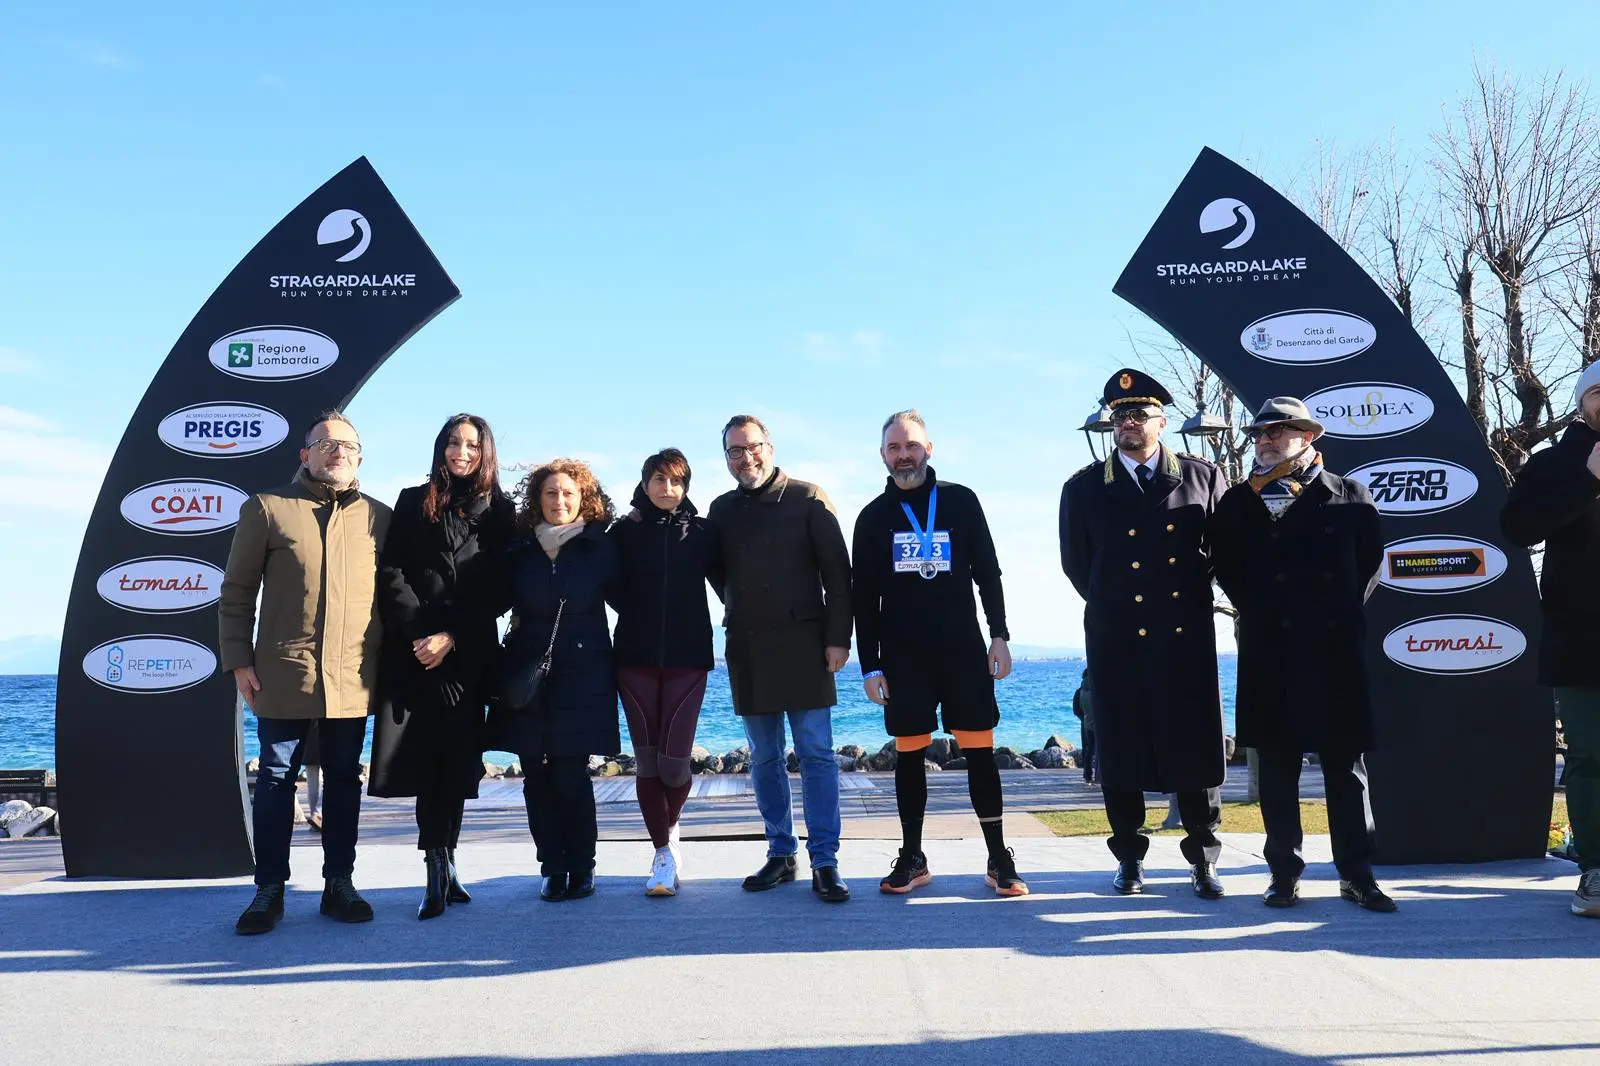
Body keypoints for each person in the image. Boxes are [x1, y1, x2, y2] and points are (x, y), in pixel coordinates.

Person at [1211, 397, 1395, 912]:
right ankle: (1283, 874)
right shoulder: (1238, 502)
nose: (1265, 440)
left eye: (1278, 431)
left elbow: (1370, 564)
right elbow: (1228, 570)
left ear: (1308, 437)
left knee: (1346, 769)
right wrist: (1265, 613)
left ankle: (1357, 874)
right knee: (1277, 769)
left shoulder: (1350, 495)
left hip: (1335, 649)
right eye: (1260, 433)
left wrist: (1334, 613)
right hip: (1271, 650)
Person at [1058, 369, 1228, 899]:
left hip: (1185, 639)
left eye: (1139, 413)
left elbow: (1224, 554)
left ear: (1162, 420)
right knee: (1122, 750)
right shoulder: (1084, 487)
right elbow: (1077, 565)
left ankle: (1204, 858)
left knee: (1194, 750)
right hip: (1117, 638)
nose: (1128, 423)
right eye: (1119, 415)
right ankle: (1129, 858)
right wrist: (1116, 608)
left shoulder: (1204, 477)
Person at [220, 410, 391, 935]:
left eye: (347, 445)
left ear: (360, 458)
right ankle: (268, 890)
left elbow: (397, 595)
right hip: (283, 672)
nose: (336, 451)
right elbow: (237, 591)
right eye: (325, 443)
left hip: (353, 676)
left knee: (343, 781)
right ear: (305, 454)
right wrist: (238, 660)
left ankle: (339, 883)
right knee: (274, 779)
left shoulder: (379, 518)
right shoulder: (268, 508)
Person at [853, 410, 1027, 897]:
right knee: (909, 757)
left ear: (929, 448)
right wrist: (870, 666)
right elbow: (862, 600)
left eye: (911, 445)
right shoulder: (872, 517)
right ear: (883, 456)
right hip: (903, 658)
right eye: (893, 448)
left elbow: (988, 572)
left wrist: (1000, 635)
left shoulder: (960, 501)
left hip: (963, 652)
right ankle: (913, 857)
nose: (903, 455)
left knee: (980, 754)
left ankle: (998, 857)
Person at [368, 414, 516, 919]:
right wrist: (420, 634)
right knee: (425, 765)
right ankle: (434, 868)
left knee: (457, 765)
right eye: (454, 442)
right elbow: (391, 572)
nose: (462, 451)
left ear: (484, 452)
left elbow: (497, 587)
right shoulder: (413, 500)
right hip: (416, 655)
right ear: (441, 447)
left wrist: (450, 636)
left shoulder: (500, 510)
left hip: (467, 654)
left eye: (472, 444)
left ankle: (449, 861)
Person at [708, 415, 853, 902]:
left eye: (752, 447)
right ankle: (781, 853)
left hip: (807, 647)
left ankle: (826, 861)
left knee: (816, 755)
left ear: (770, 447)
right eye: (734, 451)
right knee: (764, 758)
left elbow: (838, 575)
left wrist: (839, 640)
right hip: (747, 647)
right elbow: (716, 574)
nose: (744, 457)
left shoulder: (808, 498)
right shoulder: (720, 509)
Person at [496, 458, 620, 902]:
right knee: (534, 775)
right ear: (538, 499)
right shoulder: (520, 548)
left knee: (570, 774)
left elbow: (637, 597)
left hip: (582, 674)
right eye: (551, 493)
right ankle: (552, 866)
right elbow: (488, 599)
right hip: (528, 673)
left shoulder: (600, 546)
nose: (560, 501)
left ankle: (582, 866)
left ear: (583, 497)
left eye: (568, 493)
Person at [1502, 362, 1600, 917]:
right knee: (1590, 756)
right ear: (1583, 400)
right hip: (1582, 638)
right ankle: (1595, 869)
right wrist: (1588, 481)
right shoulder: (1554, 463)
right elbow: (1516, 529)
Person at [611, 448, 722, 896]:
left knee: (675, 766)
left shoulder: (702, 533)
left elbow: (731, 583)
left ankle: (671, 830)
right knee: (647, 761)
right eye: (659, 479)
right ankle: (661, 854)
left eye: (676, 481)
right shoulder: (623, 532)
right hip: (634, 659)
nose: (667, 488)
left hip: (689, 658)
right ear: (645, 482)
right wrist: (642, 614)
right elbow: (610, 588)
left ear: (686, 487)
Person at [1072, 669, 1096, 785]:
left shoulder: (1079, 691)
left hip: (1085, 724)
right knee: (1096, 750)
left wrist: (1083, 719)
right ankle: (1097, 775)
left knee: (1087, 750)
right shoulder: (1096, 691)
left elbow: (1076, 710)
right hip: (1095, 724)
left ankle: (1087, 774)